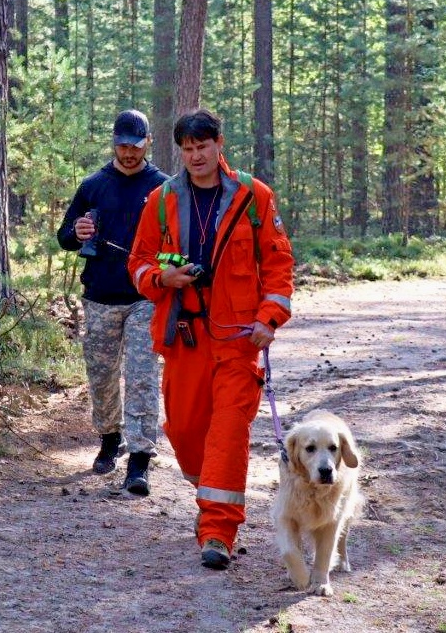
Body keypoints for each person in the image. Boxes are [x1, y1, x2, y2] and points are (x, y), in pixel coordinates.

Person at [127, 108, 294, 570]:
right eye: (187, 148)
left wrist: (269, 317)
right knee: (183, 431)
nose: (196, 155)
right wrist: (164, 278)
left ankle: (218, 530)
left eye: (203, 146)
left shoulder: (253, 197)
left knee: (227, 433)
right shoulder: (161, 201)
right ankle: (208, 493)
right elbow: (138, 263)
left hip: (240, 340)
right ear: (179, 151)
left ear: (220, 145)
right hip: (185, 336)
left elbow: (279, 264)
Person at [56, 109, 169, 496]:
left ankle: (140, 460)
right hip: (100, 297)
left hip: (146, 297)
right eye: (122, 145)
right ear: (113, 143)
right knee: (102, 376)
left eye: (135, 146)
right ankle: (109, 439)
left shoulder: (163, 188)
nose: (128, 153)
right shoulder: (93, 186)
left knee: (141, 376)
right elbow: (65, 236)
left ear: (147, 143)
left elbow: (179, 241)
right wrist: (77, 230)